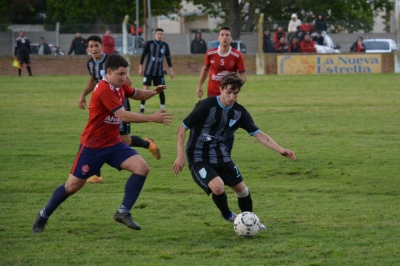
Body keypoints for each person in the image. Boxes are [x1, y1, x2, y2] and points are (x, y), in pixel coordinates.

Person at [32, 53, 172, 233]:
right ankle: (43, 215)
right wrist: (152, 118)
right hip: (93, 147)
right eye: (121, 74)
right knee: (72, 187)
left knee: (142, 167)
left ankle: (123, 212)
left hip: (113, 144)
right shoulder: (104, 89)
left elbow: (136, 93)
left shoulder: (119, 86)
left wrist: (153, 92)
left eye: (126, 73)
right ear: (109, 72)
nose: (124, 78)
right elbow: (123, 116)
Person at [173, 72, 296, 229]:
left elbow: (259, 134)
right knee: (217, 186)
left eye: (235, 93)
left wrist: (281, 150)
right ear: (221, 89)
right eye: (228, 92)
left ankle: (250, 222)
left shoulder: (240, 113)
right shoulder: (206, 105)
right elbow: (183, 128)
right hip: (198, 157)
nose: (231, 97)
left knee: (242, 191)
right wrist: (180, 155)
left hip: (222, 157)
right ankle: (228, 215)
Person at [78, 35, 162, 183]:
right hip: (102, 106)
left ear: (102, 46)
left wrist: (122, 78)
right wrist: (83, 95)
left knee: (125, 140)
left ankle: (147, 143)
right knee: (93, 135)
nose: (93, 49)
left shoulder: (112, 61)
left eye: (96, 45)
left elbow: (127, 84)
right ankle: (94, 174)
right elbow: (93, 80)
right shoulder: (91, 63)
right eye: (90, 46)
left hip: (118, 104)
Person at [139, 28, 174, 113]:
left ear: (163, 35)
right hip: (148, 71)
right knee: (145, 90)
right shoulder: (149, 44)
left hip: (159, 73)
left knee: (161, 90)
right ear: (155, 35)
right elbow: (143, 56)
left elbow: (168, 58)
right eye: (158, 34)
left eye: (161, 34)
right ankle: (142, 107)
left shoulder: (165, 46)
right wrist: (140, 67)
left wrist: (171, 70)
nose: (159, 35)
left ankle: (162, 108)